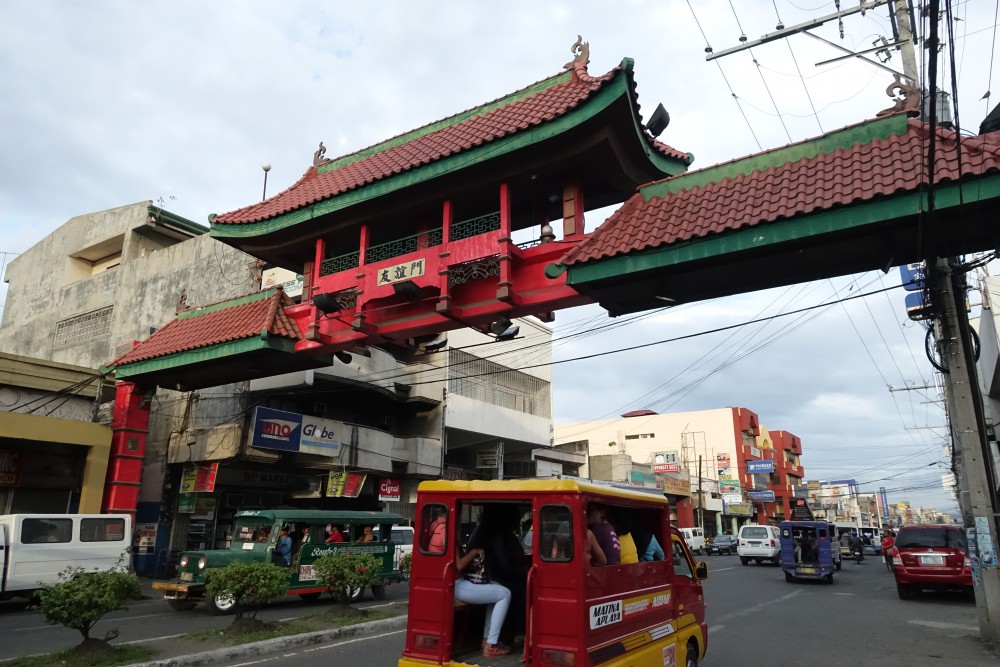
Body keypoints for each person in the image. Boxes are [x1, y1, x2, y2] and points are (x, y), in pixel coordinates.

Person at [468, 506, 528, 646]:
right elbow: (504, 565)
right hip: (490, 578)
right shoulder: (495, 535)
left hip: (486, 577)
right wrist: (521, 573)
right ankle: (516, 633)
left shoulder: (483, 531)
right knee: (521, 590)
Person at [453, 542, 512, 658]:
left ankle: (487, 639)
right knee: (505, 594)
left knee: (497, 589)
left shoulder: (438, 531)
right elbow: (458, 565)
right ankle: (491, 645)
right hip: (457, 585)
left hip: (456, 583)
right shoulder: (445, 533)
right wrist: (474, 552)